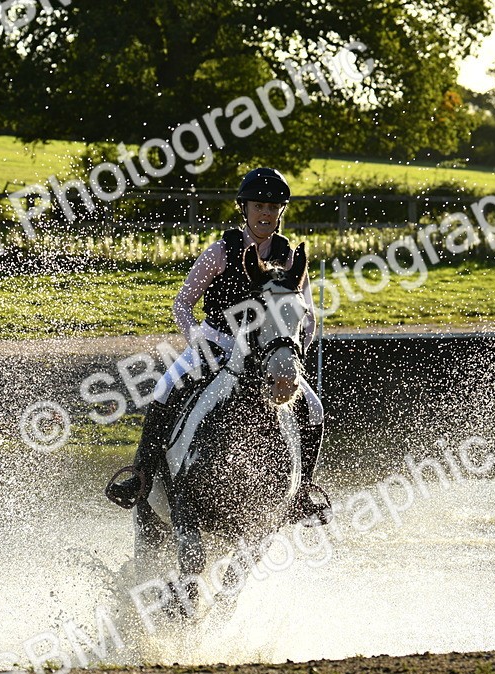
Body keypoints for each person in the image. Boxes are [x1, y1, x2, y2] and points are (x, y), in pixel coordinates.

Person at [105, 167, 331, 524]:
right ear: (245, 209)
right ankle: (140, 477)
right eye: (259, 206)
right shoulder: (221, 252)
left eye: (272, 207)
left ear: (280, 212)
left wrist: (292, 356)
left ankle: (302, 493)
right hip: (215, 344)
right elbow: (182, 304)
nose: (266, 214)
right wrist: (198, 339)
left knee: (314, 408)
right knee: (164, 389)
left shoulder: (289, 259)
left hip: (266, 356)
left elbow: (308, 317)